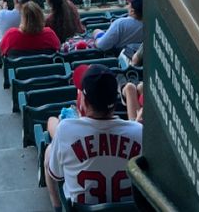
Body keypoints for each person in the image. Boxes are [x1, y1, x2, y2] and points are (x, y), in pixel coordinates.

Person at [45, 64, 142, 208]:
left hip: (81, 209)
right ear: (115, 102)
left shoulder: (65, 129)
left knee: (49, 151)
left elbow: (57, 175)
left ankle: (57, 208)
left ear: (84, 101)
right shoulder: (138, 131)